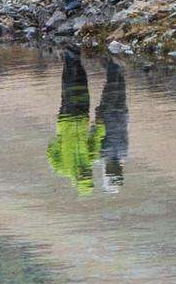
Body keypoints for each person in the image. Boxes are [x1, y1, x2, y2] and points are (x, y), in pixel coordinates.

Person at [49, 51, 132, 195]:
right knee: (82, 87)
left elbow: (51, 154)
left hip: (66, 119)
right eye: (87, 176)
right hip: (84, 118)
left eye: (84, 177)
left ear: (77, 180)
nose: (85, 174)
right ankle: (76, 55)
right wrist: (99, 125)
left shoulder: (63, 169)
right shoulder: (93, 158)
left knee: (69, 87)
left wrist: (60, 139)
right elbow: (96, 139)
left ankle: (71, 55)